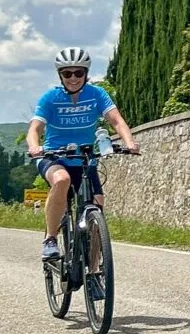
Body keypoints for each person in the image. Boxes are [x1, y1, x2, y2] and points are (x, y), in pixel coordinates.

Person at [27, 47, 139, 267]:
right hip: (54, 157)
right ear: (60, 75)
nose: (73, 78)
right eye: (67, 73)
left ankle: (95, 270)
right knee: (62, 180)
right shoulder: (51, 98)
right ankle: (50, 239)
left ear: (85, 73)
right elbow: (35, 128)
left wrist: (129, 142)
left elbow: (116, 120)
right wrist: (34, 146)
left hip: (85, 159)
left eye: (78, 72)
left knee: (98, 210)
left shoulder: (97, 94)